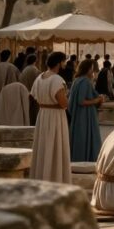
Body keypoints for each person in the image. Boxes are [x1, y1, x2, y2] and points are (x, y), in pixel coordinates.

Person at [30, 51, 71, 184]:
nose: (65, 63)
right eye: (64, 60)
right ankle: (55, 179)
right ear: (59, 62)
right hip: (55, 116)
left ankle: (42, 177)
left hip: (43, 115)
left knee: (44, 147)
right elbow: (63, 103)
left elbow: (35, 97)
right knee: (55, 147)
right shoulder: (57, 79)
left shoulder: (40, 77)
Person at [67, 59, 104, 162]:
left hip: (80, 115)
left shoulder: (77, 80)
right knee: (85, 138)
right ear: (87, 69)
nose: (92, 71)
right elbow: (81, 101)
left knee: (80, 138)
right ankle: (85, 160)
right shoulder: (85, 81)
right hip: (85, 116)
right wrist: (97, 100)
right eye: (91, 69)